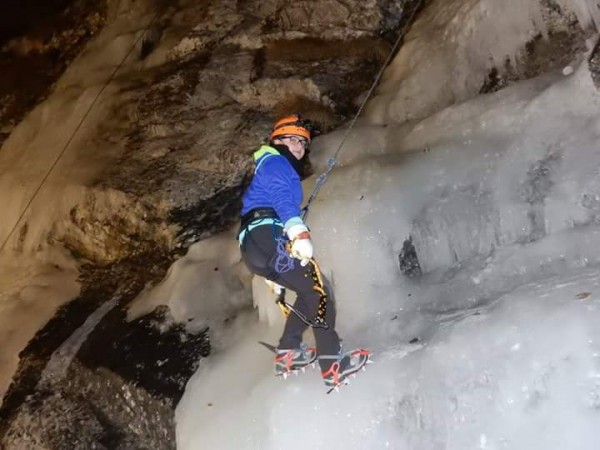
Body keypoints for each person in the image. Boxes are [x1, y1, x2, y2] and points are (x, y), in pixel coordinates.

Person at [238, 114, 370, 389]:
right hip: (268, 234)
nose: (299, 147)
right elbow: (281, 197)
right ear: (278, 140)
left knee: (312, 290)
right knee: (320, 290)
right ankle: (332, 362)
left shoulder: (271, 164)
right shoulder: (275, 162)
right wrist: (297, 230)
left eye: (303, 143)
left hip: (257, 246)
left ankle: (289, 351)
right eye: (294, 140)